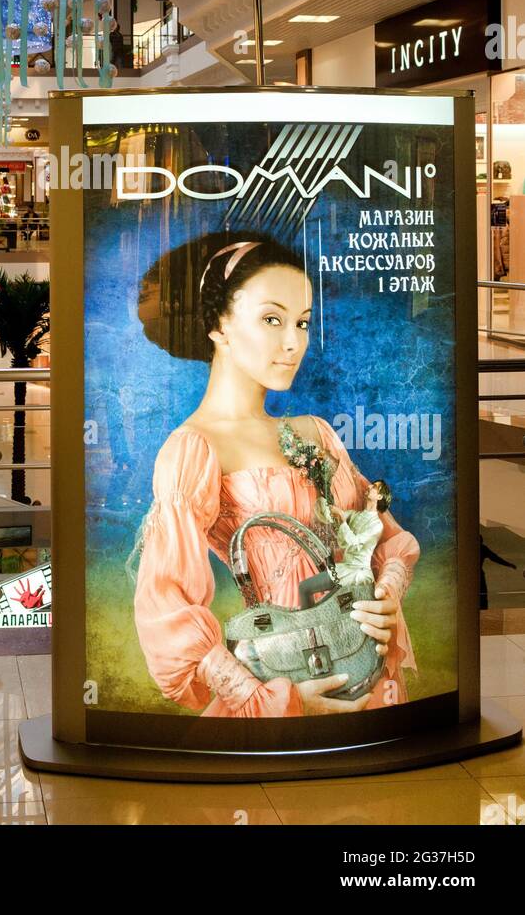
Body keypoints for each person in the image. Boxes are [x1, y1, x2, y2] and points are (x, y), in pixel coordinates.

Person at [131, 231, 419, 720]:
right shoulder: (194, 449)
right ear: (218, 326)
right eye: (272, 319)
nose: (294, 342)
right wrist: (259, 697)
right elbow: (165, 602)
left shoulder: (316, 433)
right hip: (285, 677)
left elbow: (384, 539)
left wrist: (386, 595)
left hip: (365, 660)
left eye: (302, 322)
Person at [296, 481, 391, 610]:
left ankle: (310, 628)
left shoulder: (377, 525)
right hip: (345, 570)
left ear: (380, 497)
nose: (369, 486)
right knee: (306, 589)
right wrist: (322, 491)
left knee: (315, 597)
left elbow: (354, 542)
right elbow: (328, 517)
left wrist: (341, 516)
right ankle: (310, 628)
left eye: (374, 487)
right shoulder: (354, 515)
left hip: (358, 575)